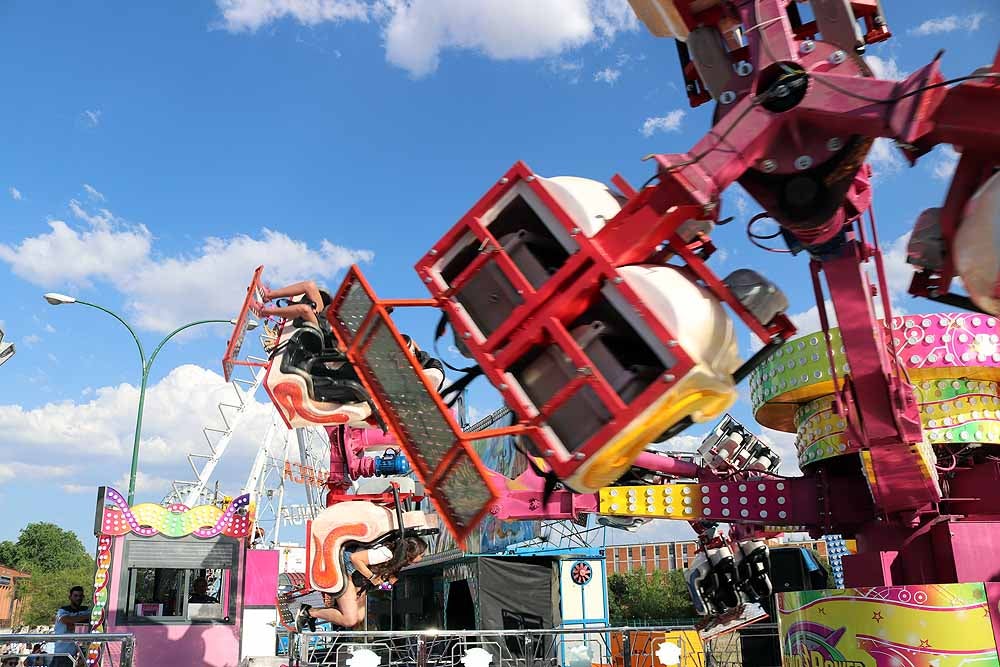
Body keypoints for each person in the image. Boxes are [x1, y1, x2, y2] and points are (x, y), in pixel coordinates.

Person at [296, 536, 427, 631]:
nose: (422, 557)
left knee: (359, 616)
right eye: (421, 554)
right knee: (350, 619)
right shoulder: (385, 554)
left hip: (357, 577)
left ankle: (314, 613)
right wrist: (372, 577)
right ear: (411, 554)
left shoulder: (396, 560)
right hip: (345, 569)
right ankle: (308, 612)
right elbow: (355, 558)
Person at [251, 280, 331, 328]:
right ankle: (268, 295)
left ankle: (262, 312)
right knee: (310, 285)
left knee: (304, 309)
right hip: (324, 315)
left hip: (322, 329)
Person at [52, 586, 88, 667]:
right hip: (63, 654)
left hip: (79, 654)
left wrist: (75, 622)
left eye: (80, 596)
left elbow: (72, 625)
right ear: (70, 597)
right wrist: (86, 618)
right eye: (75, 596)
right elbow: (67, 620)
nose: (78, 598)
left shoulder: (86, 610)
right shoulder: (63, 610)